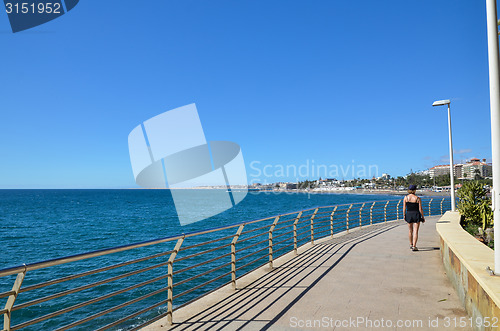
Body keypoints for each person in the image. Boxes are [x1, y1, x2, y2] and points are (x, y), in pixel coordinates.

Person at [403, 184, 425, 251]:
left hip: (409, 214)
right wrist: (423, 217)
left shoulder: (406, 198)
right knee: (415, 231)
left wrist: (404, 215)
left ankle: (411, 244)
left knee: (410, 231)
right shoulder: (417, 198)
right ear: (415, 190)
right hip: (416, 214)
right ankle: (414, 246)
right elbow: (420, 209)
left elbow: (404, 208)